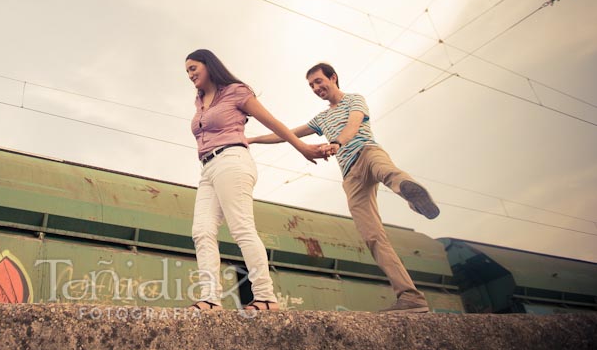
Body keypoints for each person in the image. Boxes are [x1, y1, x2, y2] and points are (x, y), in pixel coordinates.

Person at [247, 62, 440, 313]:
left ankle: (412, 195)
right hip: (351, 177)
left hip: (367, 152)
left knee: (388, 172)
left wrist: (337, 143)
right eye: (311, 86)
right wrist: (252, 139)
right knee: (372, 236)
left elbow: (353, 125)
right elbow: (288, 134)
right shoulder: (322, 118)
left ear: (333, 78)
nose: (316, 88)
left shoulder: (354, 100)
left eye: (319, 81)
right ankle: (410, 297)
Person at [184, 49, 332, 312]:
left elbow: (273, 122)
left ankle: (266, 297)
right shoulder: (199, 100)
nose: (190, 74)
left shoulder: (235, 91)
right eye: (187, 71)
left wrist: (301, 147)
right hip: (207, 168)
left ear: (209, 65)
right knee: (201, 231)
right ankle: (210, 299)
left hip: (232, 160)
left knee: (241, 228)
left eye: (194, 68)